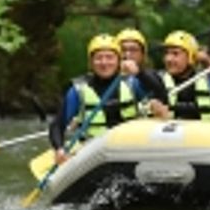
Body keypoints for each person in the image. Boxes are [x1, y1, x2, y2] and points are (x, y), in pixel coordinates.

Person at [49, 34, 141, 165]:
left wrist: (139, 72)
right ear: (91, 62)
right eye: (98, 58)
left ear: (119, 60)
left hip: (130, 148)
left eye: (110, 57)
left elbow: (158, 90)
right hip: (93, 153)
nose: (104, 63)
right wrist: (59, 149)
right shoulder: (78, 91)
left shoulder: (133, 84)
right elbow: (57, 125)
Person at [155, 30, 210, 120]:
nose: (168, 59)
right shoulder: (157, 79)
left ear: (190, 57)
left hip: (201, 132)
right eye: (166, 53)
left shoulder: (209, 80)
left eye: (175, 53)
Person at [115, 28, 168, 104]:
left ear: (142, 54)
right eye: (123, 50)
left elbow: (160, 93)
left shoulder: (150, 77)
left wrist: (139, 73)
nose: (127, 55)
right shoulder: (105, 77)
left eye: (133, 50)